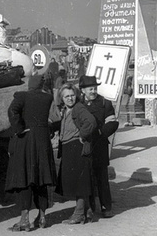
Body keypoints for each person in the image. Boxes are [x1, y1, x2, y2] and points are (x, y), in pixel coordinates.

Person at [5, 73, 58, 231]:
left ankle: (24, 220)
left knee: (25, 180)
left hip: (26, 141)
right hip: (42, 142)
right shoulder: (47, 98)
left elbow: (11, 111)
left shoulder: (22, 97)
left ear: (29, 84)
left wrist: (19, 128)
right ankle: (42, 217)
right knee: (41, 180)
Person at [54, 83, 97, 224]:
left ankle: (79, 214)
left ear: (76, 95)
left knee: (79, 183)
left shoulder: (78, 108)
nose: (70, 98)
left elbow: (91, 121)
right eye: (66, 96)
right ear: (62, 98)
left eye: (72, 95)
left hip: (76, 147)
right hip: (69, 148)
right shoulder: (66, 109)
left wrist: (82, 135)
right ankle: (88, 212)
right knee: (79, 181)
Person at [79, 75, 119, 218]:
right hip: (84, 145)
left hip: (100, 144)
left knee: (102, 177)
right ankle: (89, 208)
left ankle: (106, 207)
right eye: (91, 88)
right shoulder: (78, 103)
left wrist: (102, 132)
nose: (94, 91)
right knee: (86, 177)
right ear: (82, 90)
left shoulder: (104, 103)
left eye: (95, 88)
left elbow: (113, 123)